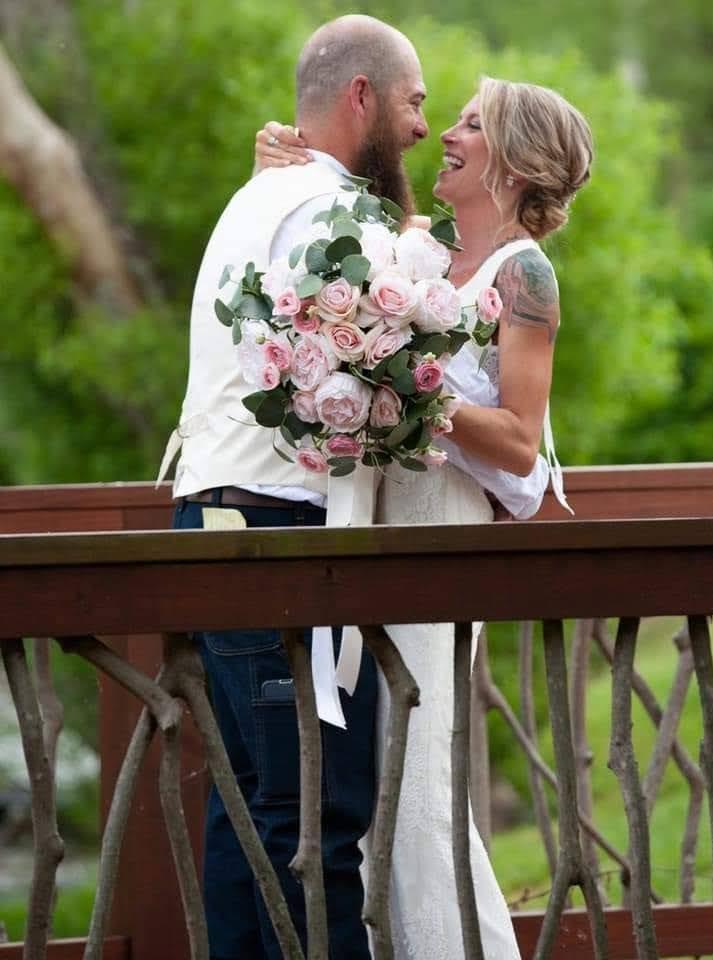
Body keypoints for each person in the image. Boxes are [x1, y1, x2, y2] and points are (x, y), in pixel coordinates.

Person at [255, 77, 593, 958]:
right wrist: (284, 156)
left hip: (442, 528)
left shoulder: (524, 273)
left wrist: (410, 384)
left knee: (417, 784)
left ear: (515, 161)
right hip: (375, 523)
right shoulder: (427, 253)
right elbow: (355, 192)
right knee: (374, 780)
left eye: (472, 125)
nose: (447, 133)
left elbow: (518, 442)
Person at [160, 15, 428, 960]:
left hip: (215, 516)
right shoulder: (331, 217)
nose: (421, 127)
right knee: (313, 816)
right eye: (413, 102)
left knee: (252, 811)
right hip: (273, 537)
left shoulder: (263, 194)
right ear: (362, 97)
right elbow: (358, 387)